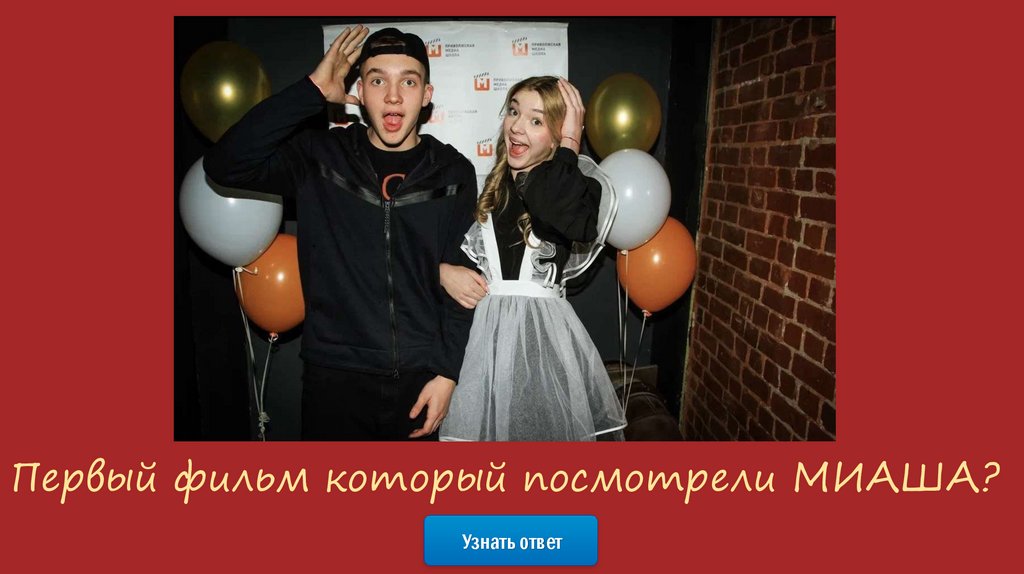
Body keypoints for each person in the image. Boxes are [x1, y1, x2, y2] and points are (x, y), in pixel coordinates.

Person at [203, 25, 477, 441]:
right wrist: (311, 90)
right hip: (335, 380)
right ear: (360, 92)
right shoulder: (321, 156)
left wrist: (447, 373)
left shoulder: (453, 171)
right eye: (378, 81)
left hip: (422, 378)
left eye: (408, 81)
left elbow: (466, 286)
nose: (393, 96)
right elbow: (225, 164)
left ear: (426, 95)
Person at [438, 76, 627, 441]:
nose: (517, 126)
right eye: (514, 112)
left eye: (536, 120)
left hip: (540, 353)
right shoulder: (490, 190)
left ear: (557, 136)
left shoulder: (579, 188)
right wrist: (442, 272)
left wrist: (570, 145)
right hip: (481, 350)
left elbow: (568, 216)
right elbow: (451, 261)